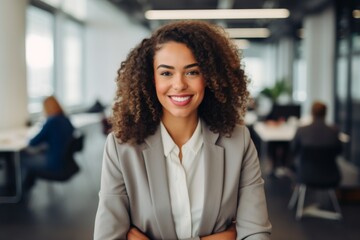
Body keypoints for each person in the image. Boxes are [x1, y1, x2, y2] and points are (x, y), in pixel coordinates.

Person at [94, 20, 272, 240]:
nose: (179, 85)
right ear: (151, 80)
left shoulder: (238, 141)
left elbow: (257, 234)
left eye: (192, 72)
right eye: (166, 73)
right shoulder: (121, 147)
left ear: (209, 78)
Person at [22, 96, 77, 191]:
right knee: (36, 154)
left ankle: (22, 192)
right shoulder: (66, 119)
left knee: (23, 159)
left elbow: (33, 142)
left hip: (55, 163)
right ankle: (26, 187)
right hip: (65, 162)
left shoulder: (51, 122)